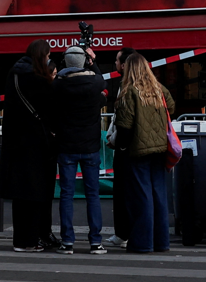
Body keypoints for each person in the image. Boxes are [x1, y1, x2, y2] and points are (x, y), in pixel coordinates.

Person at [1, 40, 59, 251]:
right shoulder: (39, 79)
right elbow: (51, 108)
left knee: (21, 195)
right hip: (37, 144)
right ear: (42, 55)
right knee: (37, 194)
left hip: (16, 144)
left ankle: (22, 239)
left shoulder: (14, 74)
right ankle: (31, 240)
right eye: (48, 55)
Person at [112, 52, 172, 253]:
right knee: (159, 196)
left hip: (138, 150)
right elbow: (170, 106)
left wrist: (120, 146)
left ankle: (142, 242)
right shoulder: (158, 89)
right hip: (160, 149)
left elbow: (125, 126)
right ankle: (161, 241)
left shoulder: (129, 91)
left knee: (141, 197)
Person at [51, 45, 108, 253]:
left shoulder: (58, 85)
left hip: (66, 145)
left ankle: (67, 241)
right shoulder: (95, 82)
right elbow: (102, 80)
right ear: (84, 61)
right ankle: (96, 241)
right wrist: (93, 62)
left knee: (66, 194)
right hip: (90, 145)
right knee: (93, 194)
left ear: (65, 62)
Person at [105, 48, 138, 248]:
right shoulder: (129, 85)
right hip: (132, 145)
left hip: (126, 147)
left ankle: (123, 233)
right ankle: (125, 232)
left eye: (117, 60)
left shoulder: (127, 88)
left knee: (124, 191)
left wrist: (113, 139)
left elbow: (123, 120)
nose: (115, 63)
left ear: (125, 65)